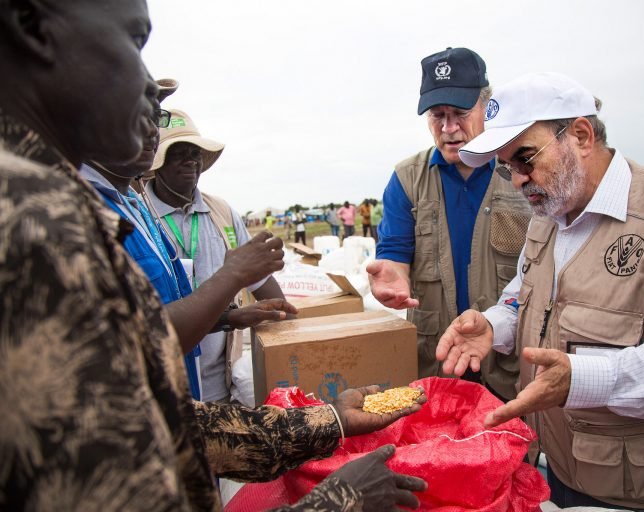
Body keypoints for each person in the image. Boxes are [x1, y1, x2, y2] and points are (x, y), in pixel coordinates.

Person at [0, 2, 427, 510]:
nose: (146, 86)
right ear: (31, 25)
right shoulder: (30, 223)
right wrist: (339, 502)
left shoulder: (60, 203)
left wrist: (329, 421)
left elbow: (159, 416)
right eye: (134, 43)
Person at [437, 72, 644, 511]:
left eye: (526, 158)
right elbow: (523, 294)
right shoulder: (547, 216)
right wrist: (492, 323)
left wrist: (584, 379)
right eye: (506, 168)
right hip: (565, 471)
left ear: (580, 135)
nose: (518, 179)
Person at [81, 81, 296, 400]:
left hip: (206, 382)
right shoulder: (91, 210)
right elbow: (141, 338)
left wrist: (232, 318)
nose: (151, 129)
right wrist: (232, 274)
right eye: (178, 154)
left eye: (155, 117)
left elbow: (163, 312)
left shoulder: (139, 209)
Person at [367, 47, 531, 401]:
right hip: (439, 365)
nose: (449, 128)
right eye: (437, 116)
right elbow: (395, 252)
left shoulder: (519, 169)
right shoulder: (407, 179)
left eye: (459, 113)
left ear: (487, 107)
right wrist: (394, 277)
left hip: (508, 368)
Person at [145, 109, 288, 403]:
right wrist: (231, 317)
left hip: (217, 380)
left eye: (194, 153)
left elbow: (260, 280)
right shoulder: (141, 218)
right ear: (157, 163)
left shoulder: (221, 213)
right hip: (164, 383)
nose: (190, 161)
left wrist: (286, 322)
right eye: (177, 153)